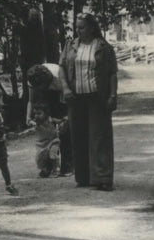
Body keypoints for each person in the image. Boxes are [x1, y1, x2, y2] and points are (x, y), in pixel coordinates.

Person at [59, 14, 119, 191]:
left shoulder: (103, 47)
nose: (78, 31)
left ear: (92, 28)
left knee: (99, 137)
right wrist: (66, 89)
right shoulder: (70, 45)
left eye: (82, 27)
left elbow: (112, 73)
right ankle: (84, 177)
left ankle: (103, 177)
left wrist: (113, 96)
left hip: (97, 97)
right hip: (75, 98)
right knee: (78, 137)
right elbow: (61, 67)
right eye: (77, 27)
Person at [25, 63, 72, 176]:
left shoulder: (59, 76)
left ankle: (68, 165)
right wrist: (28, 116)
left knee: (64, 131)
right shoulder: (33, 80)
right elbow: (31, 100)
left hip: (61, 95)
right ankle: (48, 166)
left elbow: (69, 100)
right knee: (46, 134)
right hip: (45, 100)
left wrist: (68, 116)